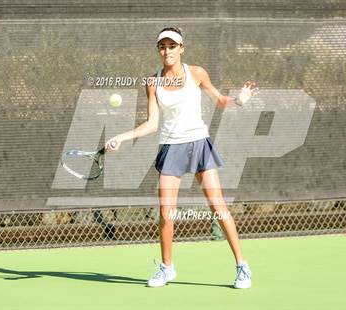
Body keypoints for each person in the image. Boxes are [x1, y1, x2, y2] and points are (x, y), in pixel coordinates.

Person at [105, 26, 257, 289]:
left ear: (181, 48)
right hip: (171, 148)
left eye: (172, 46)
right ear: (159, 50)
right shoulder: (152, 83)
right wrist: (122, 136)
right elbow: (152, 124)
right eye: (163, 46)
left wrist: (240, 100)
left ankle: (243, 267)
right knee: (166, 212)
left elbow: (220, 100)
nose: (167, 51)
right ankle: (167, 268)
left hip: (198, 143)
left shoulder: (196, 73)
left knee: (218, 206)